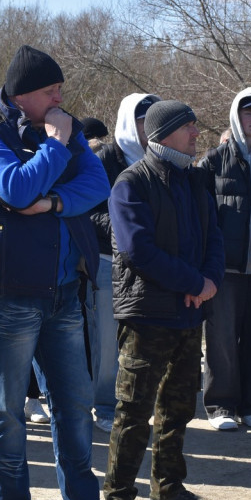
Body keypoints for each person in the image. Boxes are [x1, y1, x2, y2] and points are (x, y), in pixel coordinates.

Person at [0, 44, 141, 500]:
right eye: (50, 91)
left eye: (60, 89)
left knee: (75, 407)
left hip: (63, 291)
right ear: (22, 95)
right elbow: (15, 190)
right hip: (7, 295)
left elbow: (97, 183)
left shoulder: (64, 126)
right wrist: (55, 148)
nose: (61, 98)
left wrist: (55, 200)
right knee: (7, 412)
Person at [103, 100, 225, 500]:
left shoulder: (195, 181)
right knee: (134, 411)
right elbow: (138, 251)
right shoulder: (131, 183)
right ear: (163, 134)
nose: (196, 133)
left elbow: (214, 238)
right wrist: (194, 284)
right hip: (147, 315)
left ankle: (168, 488)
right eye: (188, 127)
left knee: (178, 408)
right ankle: (117, 499)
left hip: (189, 315)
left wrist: (207, 282)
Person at [198, 89, 251, 431]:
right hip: (224, 269)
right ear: (236, 115)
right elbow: (201, 216)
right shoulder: (213, 160)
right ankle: (220, 407)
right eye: (248, 112)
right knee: (220, 339)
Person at [91, 93, 159, 433]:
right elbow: (90, 210)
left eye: (152, 119)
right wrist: (125, 232)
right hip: (107, 260)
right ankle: (104, 406)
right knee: (106, 341)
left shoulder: (161, 159)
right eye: (141, 119)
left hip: (149, 262)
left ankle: (137, 402)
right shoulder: (105, 158)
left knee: (144, 337)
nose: (147, 127)